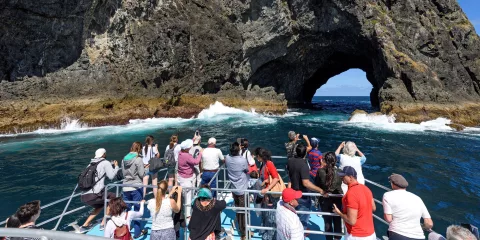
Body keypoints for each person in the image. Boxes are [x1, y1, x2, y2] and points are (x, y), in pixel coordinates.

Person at [286, 144, 326, 229]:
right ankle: (302, 231)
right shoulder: (304, 165)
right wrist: (320, 190)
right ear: (305, 154)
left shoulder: (290, 161)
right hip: (302, 194)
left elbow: (290, 175)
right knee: (303, 216)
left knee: (294, 214)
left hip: (293, 192)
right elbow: (306, 183)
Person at [383, 173, 433, 240]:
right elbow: (429, 223)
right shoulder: (417, 198)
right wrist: (420, 228)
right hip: (419, 236)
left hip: (398, 234)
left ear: (392, 184)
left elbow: (388, 219)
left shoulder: (387, 195)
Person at [80, 148, 119, 232]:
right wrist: (116, 167)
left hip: (84, 195)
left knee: (100, 205)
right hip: (96, 194)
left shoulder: (90, 164)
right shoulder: (105, 162)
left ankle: (84, 225)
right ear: (103, 154)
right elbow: (111, 176)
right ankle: (103, 223)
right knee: (113, 198)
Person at [333, 166, 376, 240]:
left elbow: (351, 221)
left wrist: (339, 213)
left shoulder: (351, 193)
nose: (341, 178)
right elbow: (373, 208)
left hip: (356, 235)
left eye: (343, 176)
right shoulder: (366, 189)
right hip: (371, 234)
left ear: (350, 177)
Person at [315, 152, 343, 240]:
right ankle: (337, 238)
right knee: (337, 220)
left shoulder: (320, 171)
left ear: (325, 161)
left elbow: (317, 184)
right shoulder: (340, 172)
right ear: (335, 161)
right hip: (337, 198)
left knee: (327, 221)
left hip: (324, 199)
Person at [121, 142, 146, 238]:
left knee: (125, 210)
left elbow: (123, 173)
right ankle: (137, 232)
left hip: (126, 187)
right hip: (136, 187)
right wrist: (145, 170)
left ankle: (124, 230)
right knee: (137, 209)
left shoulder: (124, 159)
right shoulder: (138, 159)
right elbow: (141, 174)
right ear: (139, 149)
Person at [254, 147, 280, 240]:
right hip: (266, 194)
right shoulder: (264, 163)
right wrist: (265, 181)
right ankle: (266, 230)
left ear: (260, 156)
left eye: (257, 156)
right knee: (266, 213)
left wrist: (268, 188)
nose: (256, 158)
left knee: (270, 215)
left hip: (270, 194)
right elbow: (269, 176)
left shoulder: (269, 163)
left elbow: (276, 178)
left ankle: (270, 236)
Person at [226, 142, 250, 240]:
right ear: (238, 150)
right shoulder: (242, 160)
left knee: (238, 209)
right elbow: (247, 169)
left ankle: (242, 229)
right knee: (243, 211)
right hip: (242, 189)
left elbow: (228, 155)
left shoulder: (227, 158)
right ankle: (243, 233)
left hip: (234, 188)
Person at [177, 139, 203, 220]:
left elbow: (185, 145)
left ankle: (181, 211)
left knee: (182, 196)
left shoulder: (180, 153)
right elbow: (196, 162)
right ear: (187, 148)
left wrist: (193, 139)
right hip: (187, 179)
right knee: (188, 197)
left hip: (180, 177)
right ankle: (188, 215)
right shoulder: (187, 156)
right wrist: (200, 153)